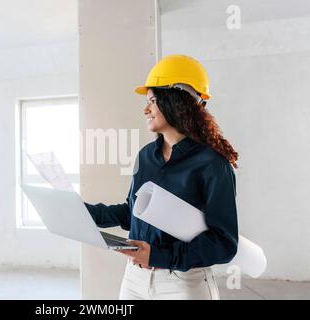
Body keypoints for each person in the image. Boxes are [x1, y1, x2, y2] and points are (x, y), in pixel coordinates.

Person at [84, 54, 239, 300]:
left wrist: (159, 256)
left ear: (176, 103)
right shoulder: (146, 156)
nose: (145, 109)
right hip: (134, 279)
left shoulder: (212, 164)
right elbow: (132, 212)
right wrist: (84, 213)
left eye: (153, 100)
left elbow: (224, 244)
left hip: (182, 283)